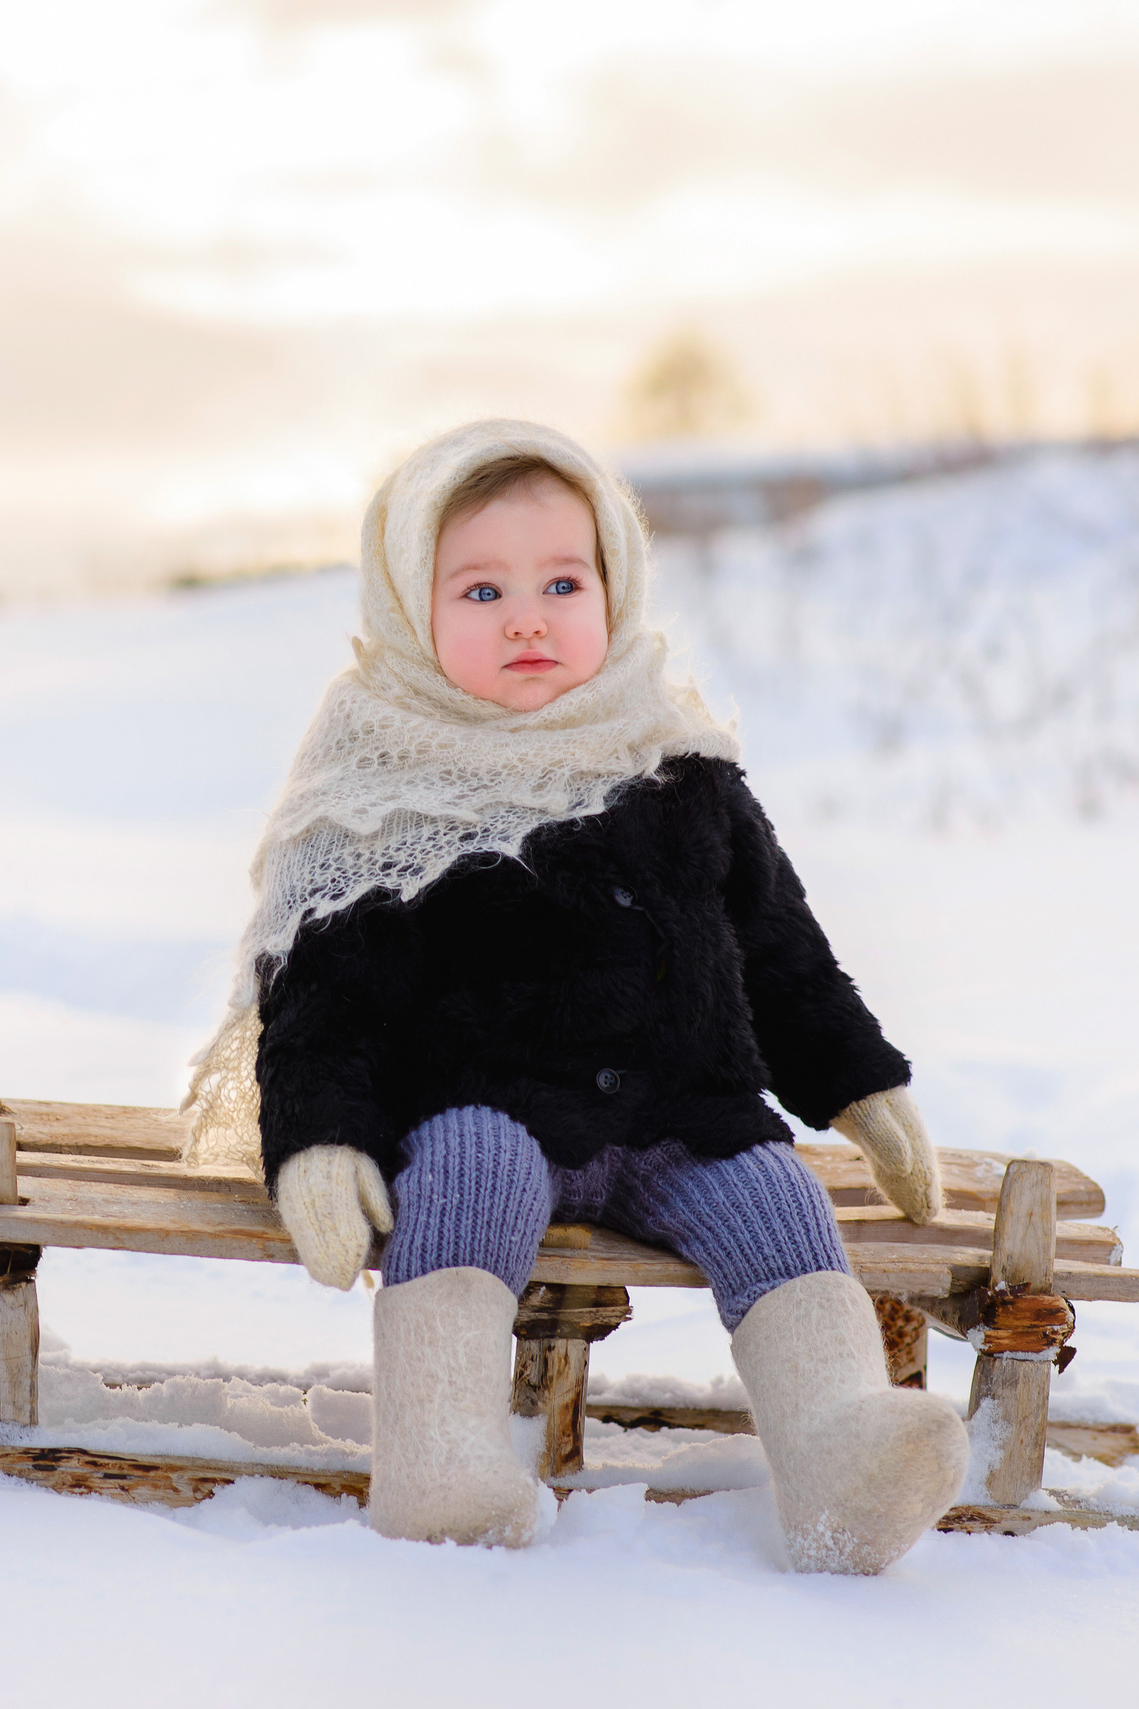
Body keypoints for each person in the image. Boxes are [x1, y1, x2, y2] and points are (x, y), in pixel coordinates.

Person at [182, 419, 969, 1574]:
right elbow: (324, 996)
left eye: (562, 582)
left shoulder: (678, 761)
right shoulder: (378, 786)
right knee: (465, 1178)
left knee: (775, 1199)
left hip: (686, 1107)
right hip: (487, 1106)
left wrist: (856, 1081)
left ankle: (837, 1455)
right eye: (481, 589)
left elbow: (778, 946)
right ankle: (439, 1458)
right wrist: (319, 1136)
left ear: (615, 583)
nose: (527, 618)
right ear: (406, 604)